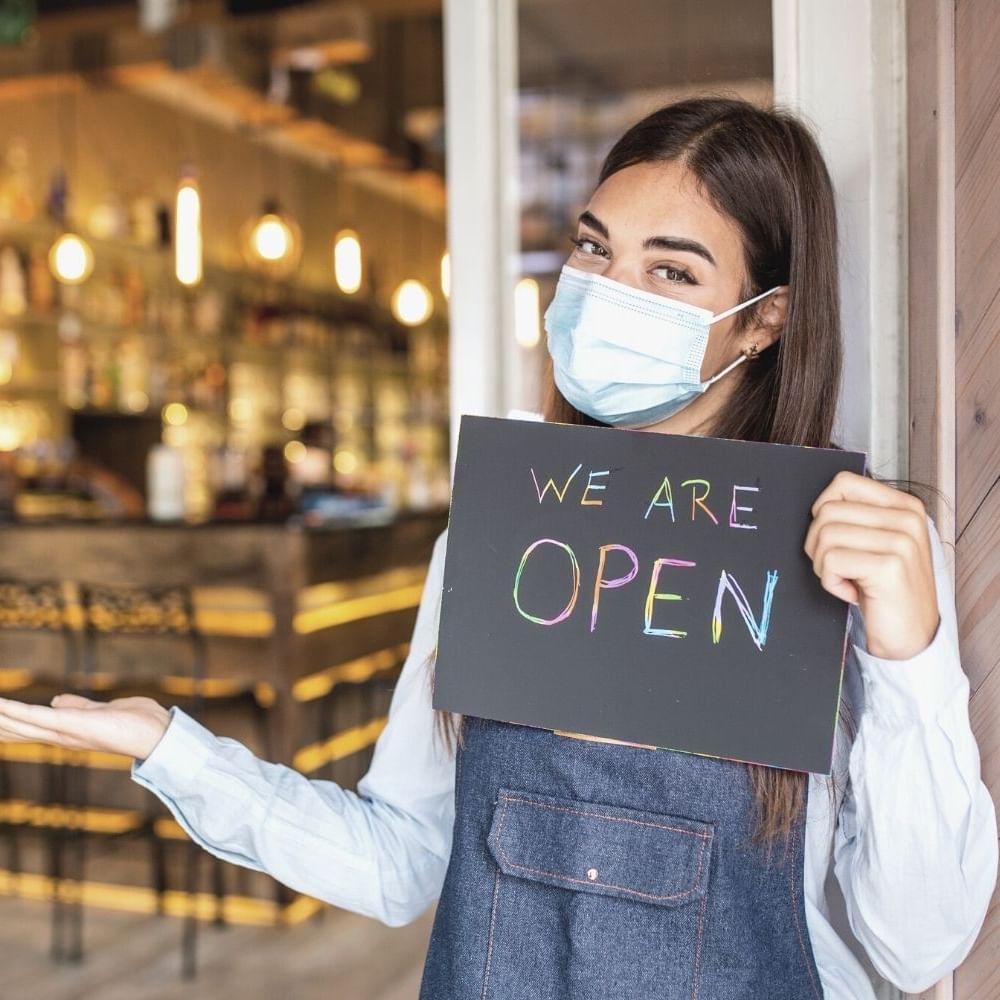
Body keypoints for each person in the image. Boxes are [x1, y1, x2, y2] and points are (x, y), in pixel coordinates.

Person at [0, 97, 995, 1000]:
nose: (609, 289)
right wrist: (172, 749)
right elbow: (401, 861)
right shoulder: (504, 534)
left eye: (670, 269)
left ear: (764, 319)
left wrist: (911, 661)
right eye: (593, 249)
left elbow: (916, 944)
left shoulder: (843, 553)